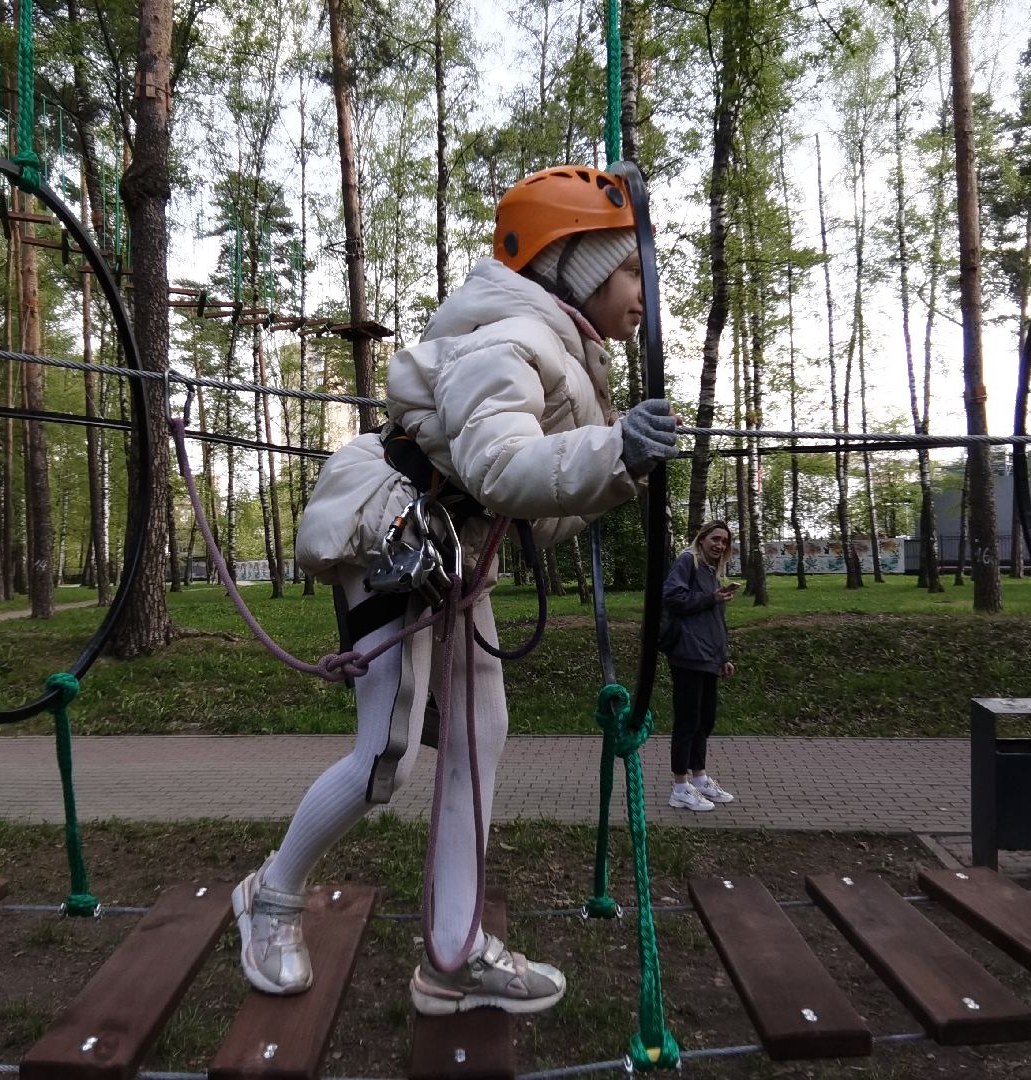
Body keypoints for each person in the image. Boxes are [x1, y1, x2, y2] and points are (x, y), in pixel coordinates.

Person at [231, 165, 679, 1015]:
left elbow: (533, 510)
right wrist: (613, 453)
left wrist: (614, 468)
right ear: (575, 268)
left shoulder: (559, 356)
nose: (644, 295)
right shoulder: (508, 337)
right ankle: (271, 895)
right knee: (384, 755)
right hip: (393, 531)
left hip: (450, 546)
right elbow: (500, 468)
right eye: (631, 273)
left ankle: (454, 952)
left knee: (480, 738)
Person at [662, 520, 737, 812]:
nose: (720, 545)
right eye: (715, 539)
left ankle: (700, 778)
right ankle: (680, 787)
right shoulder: (687, 561)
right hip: (687, 654)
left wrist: (724, 657)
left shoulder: (709, 572)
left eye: (725, 542)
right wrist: (710, 597)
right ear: (702, 538)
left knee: (705, 721)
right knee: (687, 721)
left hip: (708, 657)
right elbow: (672, 596)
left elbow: (715, 621)